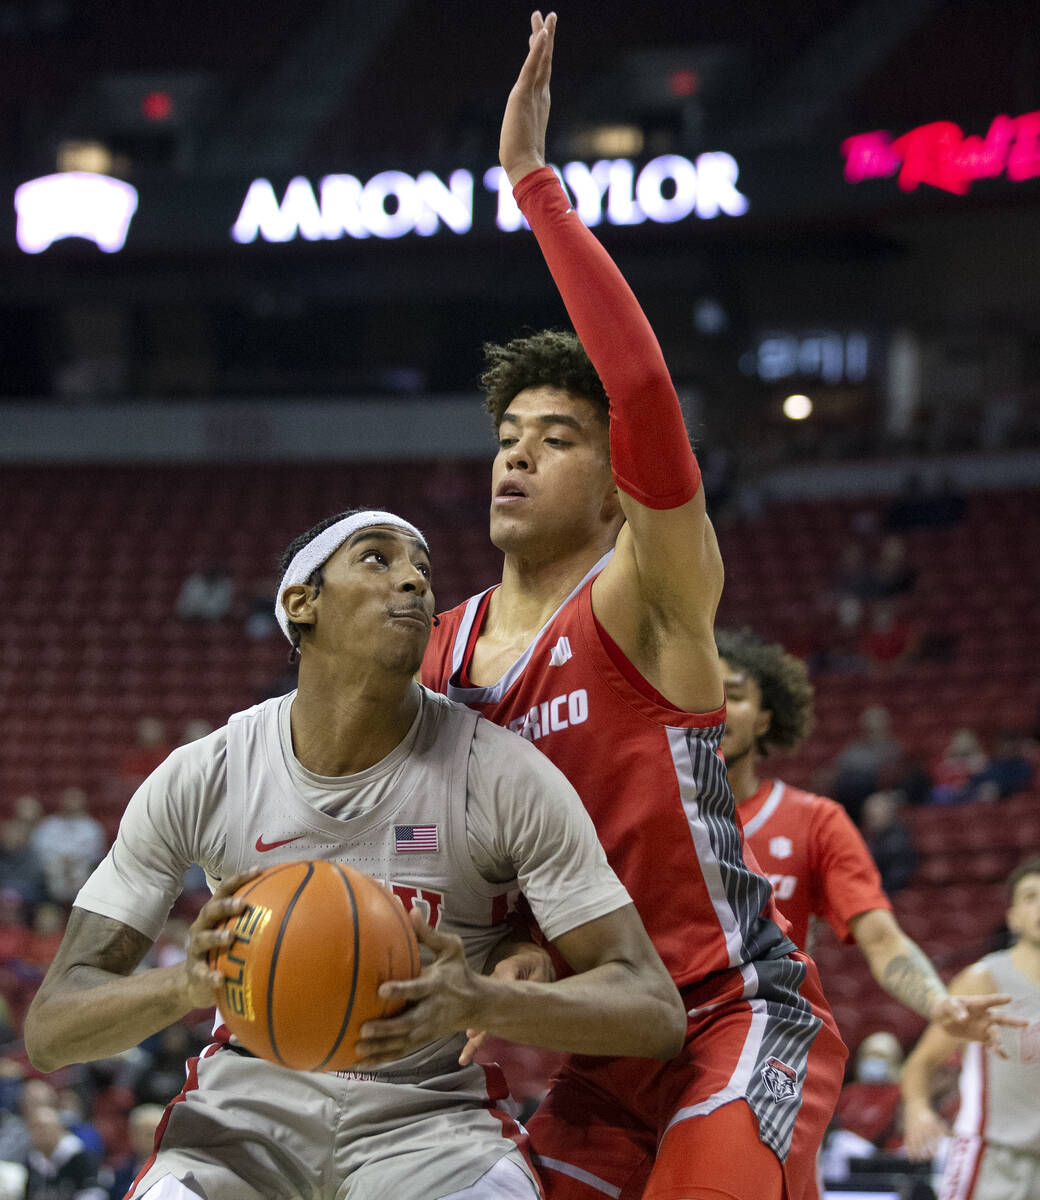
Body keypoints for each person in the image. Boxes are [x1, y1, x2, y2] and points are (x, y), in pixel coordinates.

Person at [422, 15, 848, 1200]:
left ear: (616, 483)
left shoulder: (645, 595)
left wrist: (533, 187)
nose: (515, 458)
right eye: (506, 439)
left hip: (727, 1012)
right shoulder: (440, 651)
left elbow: (646, 389)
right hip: (597, 1051)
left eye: (555, 439)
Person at [24, 508, 685, 1200]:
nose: (413, 583)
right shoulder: (207, 774)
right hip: (242, 1117)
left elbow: (653, 1010)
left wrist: (486, 998)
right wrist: (184, 986)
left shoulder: (501, 774)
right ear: (300, 603)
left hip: (432, 1121)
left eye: (423, 572)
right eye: (377, 559)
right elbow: (51, 1028)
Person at [716, 628, 1011, 1034]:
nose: (717, 708)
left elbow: (882, 939)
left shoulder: (814, 820)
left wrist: (937, 1001)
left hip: (760, 1036)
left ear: (766, 717)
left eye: (734, 695)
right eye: (704, 693)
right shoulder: (646, 810)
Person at [901, 857, 1040, 1200]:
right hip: (991, 1155)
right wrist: (918, 1109)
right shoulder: (983, 979)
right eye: (1031, 897)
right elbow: (920, 1063)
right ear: (1013, 918)